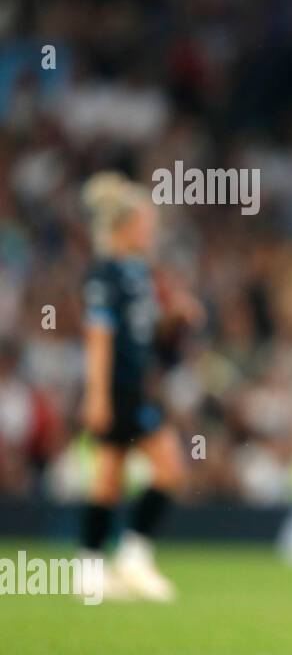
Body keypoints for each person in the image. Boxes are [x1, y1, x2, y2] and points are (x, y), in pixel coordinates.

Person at [80, 172, 200, 601]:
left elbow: (144, 333)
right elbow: (99, 336)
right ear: (125, 227)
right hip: (118, 389)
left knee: (108, 478)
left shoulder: (138, 274)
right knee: (169, 469)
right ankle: (131, 557)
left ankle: (91, 570)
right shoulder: (106, 274)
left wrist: (175, 319)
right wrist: (96, 395)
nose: (151, 232)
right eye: (145, 224)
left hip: (135, 386)